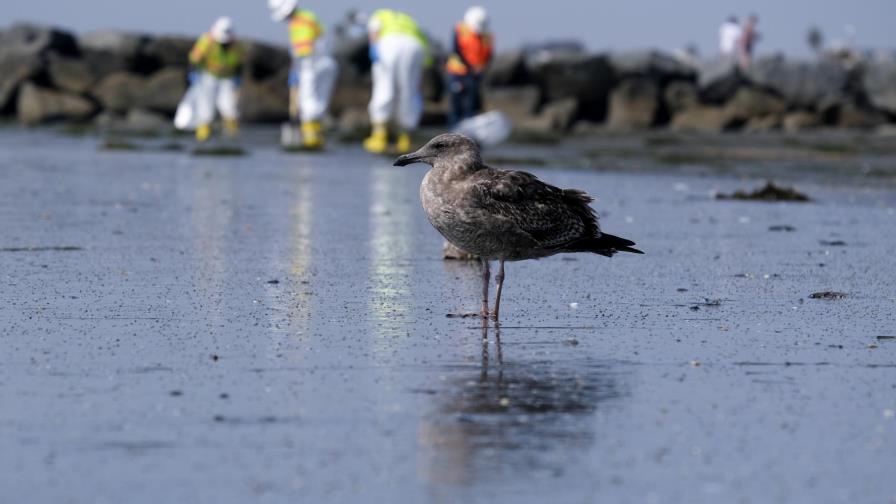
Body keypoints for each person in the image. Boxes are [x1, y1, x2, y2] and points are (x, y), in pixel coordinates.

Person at [268, 0, 337, 149]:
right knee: (319, 101)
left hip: (311, 63)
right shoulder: (307, 17)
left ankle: (310, 136)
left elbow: (304, 48)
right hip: (325, 62)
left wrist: (297, 68)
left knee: (307, 100)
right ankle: (316, 134)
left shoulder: (299, 22)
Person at [364, 9, 431, 155]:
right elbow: (425, 51)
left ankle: (379, 137)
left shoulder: (380, 14)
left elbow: (374, 32)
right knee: (408, 91)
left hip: (389, 44)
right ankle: (405, 139)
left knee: (384, 87)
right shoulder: (409, 21)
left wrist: (373, 48)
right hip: (415, 46)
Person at [187, 17, 243, 142]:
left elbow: (240, 63)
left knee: (230, 108)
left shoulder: (236, 44)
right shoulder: (206, 40)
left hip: (227, 78)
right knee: (205, 109)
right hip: (208, 77)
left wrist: (238, 78)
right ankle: (203, 137)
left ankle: (233, 138)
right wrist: (192, 74)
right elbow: (193, 60)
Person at [446, 6, 493, 127]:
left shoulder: (487, 35)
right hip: (458, 73)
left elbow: (488, 54)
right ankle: (454, 131)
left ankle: (470, 134)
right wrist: (471, 67)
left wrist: (481, 68)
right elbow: (457, 50)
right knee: (457, 105)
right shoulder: (460, 30)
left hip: (475, 76)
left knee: (472, 105)